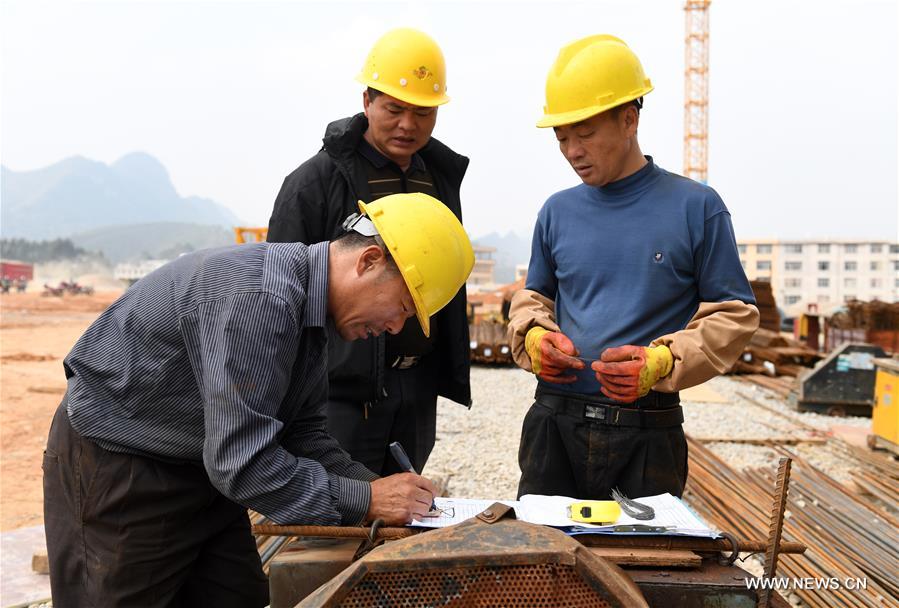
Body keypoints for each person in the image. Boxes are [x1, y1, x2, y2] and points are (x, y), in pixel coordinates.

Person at [43, 193, 474, 607]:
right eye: (401, 306)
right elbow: (242, 464)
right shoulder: (263, 299)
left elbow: (302, 435)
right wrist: (367, 502)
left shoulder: (310, 312)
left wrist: (374, 489)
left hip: (199, 466)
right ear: (368, 261)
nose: (396, 327)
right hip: (119, 466)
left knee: (236, 597)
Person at [508, 35, 759, 501]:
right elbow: (532, 300)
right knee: (546, 564)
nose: (572, 150)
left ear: (629, 118)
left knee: (645, 566)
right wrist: (535, 336)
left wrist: (663, 361)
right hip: (553, 422)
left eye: (585, 133)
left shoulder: (697, 207)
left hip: (649, 430)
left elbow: (734, 314)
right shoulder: (556, 212)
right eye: (562, 137)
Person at [267, 27, 471, 476]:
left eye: (423, 112)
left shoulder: (439, 179)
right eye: (394, 109)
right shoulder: (315, 183)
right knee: (337, 516)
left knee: (403, 518)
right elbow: (276, 289)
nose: (408, 124)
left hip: (416, 387)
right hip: (338, 395)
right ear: (367, 101)